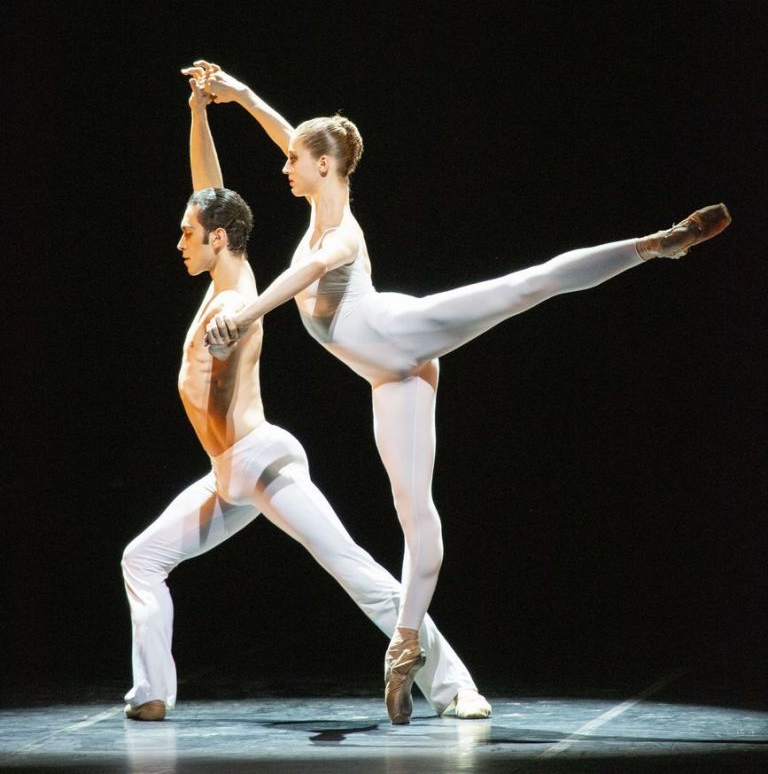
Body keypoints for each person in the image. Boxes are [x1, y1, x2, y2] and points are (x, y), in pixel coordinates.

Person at [189, 60, 732, 726]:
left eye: (296, 161)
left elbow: (303, 271)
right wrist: (238, 94)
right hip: (390, 376)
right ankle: (407, 642)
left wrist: (246, 315)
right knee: (415, 513)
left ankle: (652, 246)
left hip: (402, 331)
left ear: (324, 167)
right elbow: (286, 136)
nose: (284, 168)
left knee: (521, 287)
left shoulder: (341, 235)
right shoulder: (317, 200)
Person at [121, 74, 492, 723]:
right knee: (143, 558)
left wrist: (222, 355)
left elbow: (227, 349)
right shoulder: (223, 267)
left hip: (260, 462)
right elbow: (207, 190)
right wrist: (198, 110)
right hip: (227, 474)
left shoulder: (234, 300)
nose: (179, 241)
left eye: (188, 233)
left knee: (352, 567)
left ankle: (455, 685)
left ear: (216, 241)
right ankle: (150, 694)